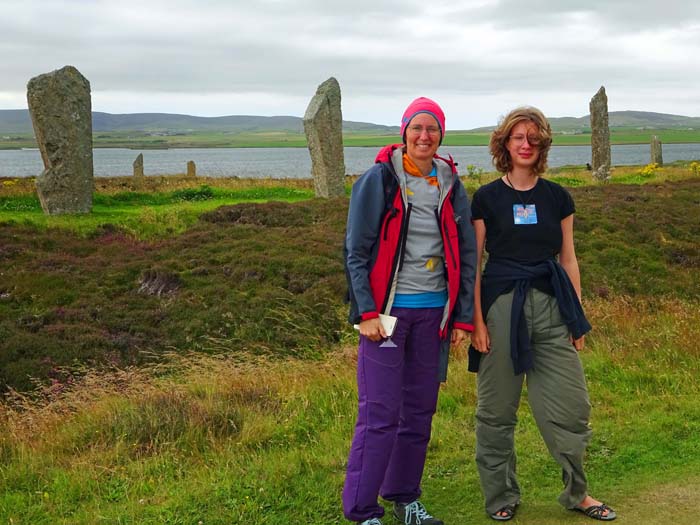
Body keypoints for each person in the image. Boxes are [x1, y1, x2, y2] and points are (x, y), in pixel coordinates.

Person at [468, 106, 617, 521]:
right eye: (518, 137)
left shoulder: (557, 197)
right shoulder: (486, 198)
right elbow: (474, 265)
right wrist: (476, 322)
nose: (526, 144)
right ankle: (500, 496)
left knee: (571, 407)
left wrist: (577, 317)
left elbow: (569, 260)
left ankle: (578, 494)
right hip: (500, 309)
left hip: (553, 307)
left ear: (543, 143)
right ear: (504, 144)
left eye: (533, 137)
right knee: (496, 411)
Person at [342, 97, 477, 525]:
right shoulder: (379, 180)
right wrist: (365, 312)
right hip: (386, 316)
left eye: (433, 129)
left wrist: (462, 316)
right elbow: (356, 252)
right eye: (417, 127)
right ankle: (363, 512)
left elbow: (468, 255)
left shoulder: (451, 183)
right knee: (380, 412)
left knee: (419, 411)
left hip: (434, 315)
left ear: (441, 136)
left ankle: (405, 499)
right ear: (404, 132)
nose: (425, 136)